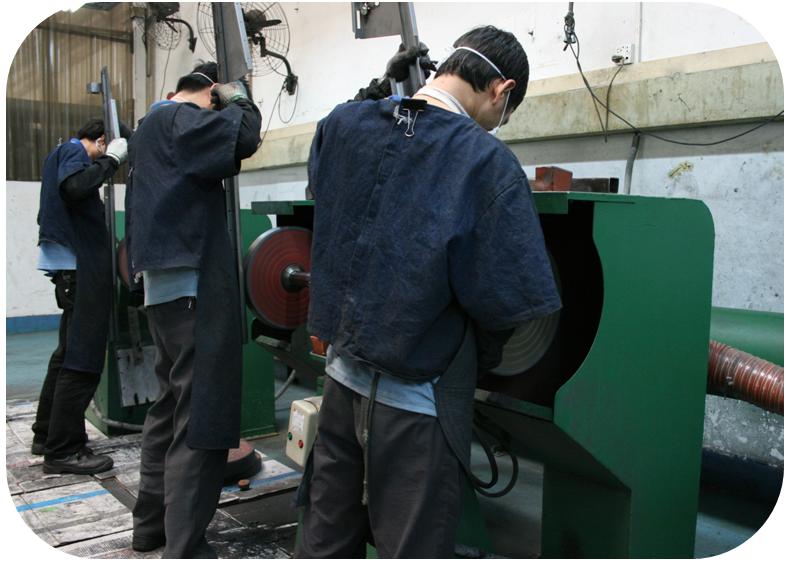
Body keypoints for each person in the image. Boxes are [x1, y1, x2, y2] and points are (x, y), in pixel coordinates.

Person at [297, 26, 562, 558]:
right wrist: (471, 364)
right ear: (502, 90)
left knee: (326, 538)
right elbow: (507, 305)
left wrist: (378, 93)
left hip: (340, 383)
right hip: (417, 406)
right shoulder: (486, 163)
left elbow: (323, 193)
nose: (497, 125)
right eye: (505, 113)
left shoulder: (343, 124)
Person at [125, 62, 262, 558]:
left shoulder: (149, 127)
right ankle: (184, 547)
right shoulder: (180, 117)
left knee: (168, 410)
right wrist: (239, 97)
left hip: (165, 293)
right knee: (198, 420)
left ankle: (151, 528)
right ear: (209, 93)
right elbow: (243, 136)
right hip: (192, 291)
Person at [33, 118, 129, 475]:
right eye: (105, 147)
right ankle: (64, 450)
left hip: (69, 268)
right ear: (101, 140)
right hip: (79, 267)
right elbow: (75, 187)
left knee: (65, 355)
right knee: (83, 358)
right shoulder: (74, 152)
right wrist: (111, 161)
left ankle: (47, 434)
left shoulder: (58, 154)